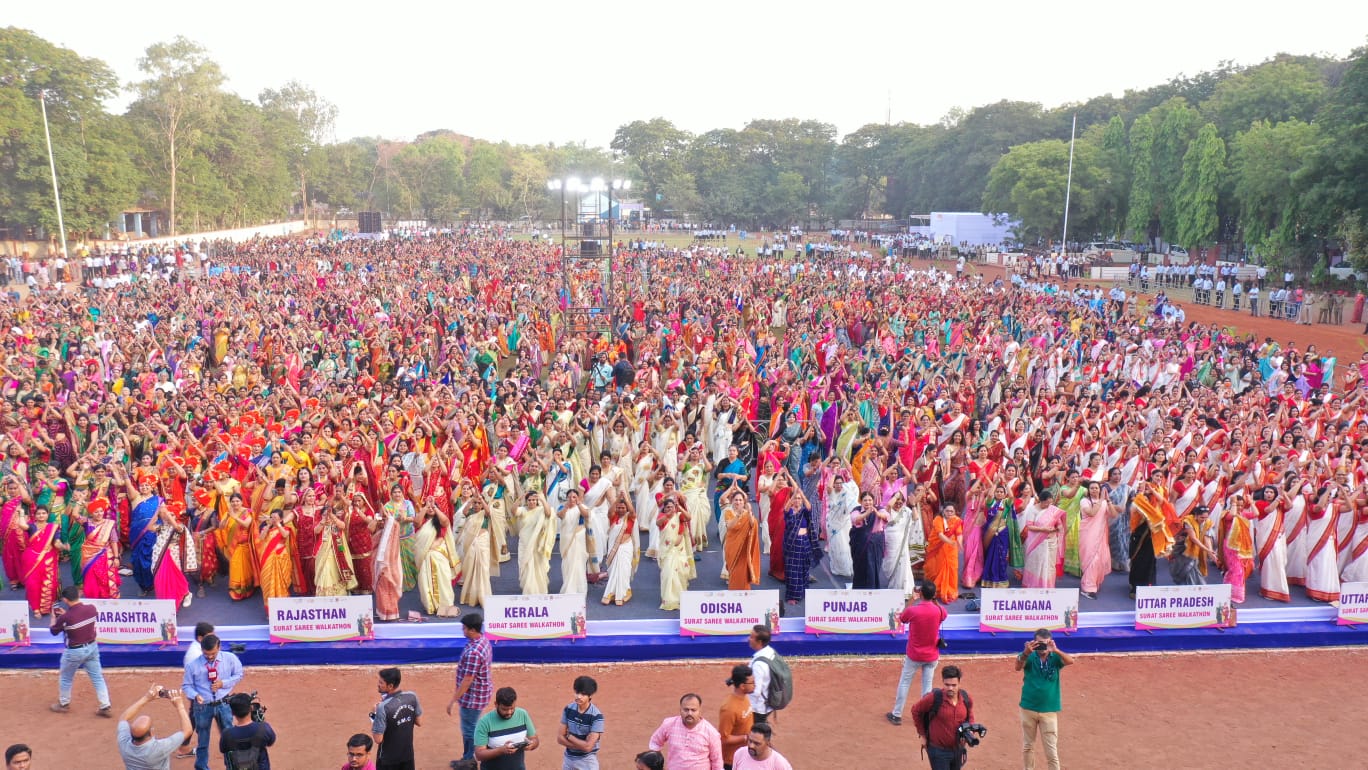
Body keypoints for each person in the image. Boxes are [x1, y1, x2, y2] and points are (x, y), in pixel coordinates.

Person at [887, 580, 947, 725]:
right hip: (932, 655)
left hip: (914, 654)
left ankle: (897, 714)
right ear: (933, 595)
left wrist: (912, 600)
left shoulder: (914, 610)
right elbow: (944, 614)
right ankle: (926, 716)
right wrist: (934, 601)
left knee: (905, 682)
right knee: (927, 686)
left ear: (920, 593)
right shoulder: (938, 611)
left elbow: (899, 619)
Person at [182, 633, 245, 770]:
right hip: (202, 707)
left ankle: (232, 766)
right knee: (203, 741)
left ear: (219, 647)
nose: (210, 657)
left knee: (229, 738)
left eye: (213, 654)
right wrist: (195, 695)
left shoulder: (230, 659)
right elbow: (186, 686)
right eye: (206, 654)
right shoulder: (192, 666)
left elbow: (239, 674)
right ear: (201, 649)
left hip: (224, 704)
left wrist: (224, 683)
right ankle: (201, 767)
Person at [1015, 629, 1075, 770]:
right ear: (1034, 643)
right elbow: (1017, 667)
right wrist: (1025, 653)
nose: (1042, 647)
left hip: (1049, 710)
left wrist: (1056, 650)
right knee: (1028, 746)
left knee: (1051, 751)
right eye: (1039, 644)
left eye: (1045, 643)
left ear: (1050, 642)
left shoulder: (1055, 657)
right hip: (1028, 708)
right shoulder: (1029, 655)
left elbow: (1071, 661)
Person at [48, 585, 111, 716]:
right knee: (97, 677)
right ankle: (105, 705)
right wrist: (65, 615)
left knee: (66, 678)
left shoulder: (66, 618)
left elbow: (53, 631)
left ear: (65, 600)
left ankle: (64, 704)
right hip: (92, 647)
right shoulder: (91, 609)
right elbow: (78, 619)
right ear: (78, 595)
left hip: (74, 651)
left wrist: (54, 617)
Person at [907, 666, 974, 770]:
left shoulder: (966, 698)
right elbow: (915, 710)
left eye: (954, 685)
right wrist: (923, 735)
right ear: (943, 682)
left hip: (958, 749)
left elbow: (970, 717)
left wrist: (970, 731)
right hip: (938, 752)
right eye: (947, 685)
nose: (950, 688)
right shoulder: (934, 698)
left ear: (959, 683)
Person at [448, 612, 493, 762]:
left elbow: (467, 680)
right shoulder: (483, 641)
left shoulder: (474, 652)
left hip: (472, 698)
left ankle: (468, 761)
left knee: (469, 730)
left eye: (465, 628)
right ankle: (468, 757)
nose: (463, 631)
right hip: (481, 693)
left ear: (473, 630)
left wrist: (453, 699)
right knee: (472, 727)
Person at [116, 683, 192, 770]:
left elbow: (123, 718)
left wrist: (146, 698)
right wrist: (180, 706)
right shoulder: (158, 749)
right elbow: (188, 731)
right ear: (151, 732)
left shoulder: (124, 744)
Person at [647, 693, 723, 770]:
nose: (689, 713)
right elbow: (655, 742)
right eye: (686, 710)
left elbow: (717, 761)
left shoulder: (711, 732)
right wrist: (657, 763)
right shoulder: (669, 724)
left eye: (693, 710)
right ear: (680, 710)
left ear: (700, 710)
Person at [474, 686, 539, 770]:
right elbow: (479, 754)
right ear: (496, 704)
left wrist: (532, 745)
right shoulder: (484, 722)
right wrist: (501, 750)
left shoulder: (523, 715)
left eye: (512, 708)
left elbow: (535, 739)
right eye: (504, 709)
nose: (509, 712)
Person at [371, 667, 423, 770]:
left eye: (381, 683)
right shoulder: (412, 696)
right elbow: (419, 722)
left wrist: (373, 715)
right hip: (407, 755)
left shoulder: (383, 707)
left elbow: (378, 739)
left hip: (388, 759)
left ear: (390, 686)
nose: (378, 684)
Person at [219, 692, 277, 770]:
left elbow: (223, 749)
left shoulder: (226, 734)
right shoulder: (263, 728)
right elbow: (271, 741)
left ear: (232, 713)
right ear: (251, 708)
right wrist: (260, 721)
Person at [557, 675, 604, 770]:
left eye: (583, 694)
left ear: (590, 695)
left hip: (587, 761)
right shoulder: (568, 709)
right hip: (568, 759)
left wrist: (570, 737)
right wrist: (581, 745)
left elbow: (588, 747)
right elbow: (559, 738)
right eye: (577, 693)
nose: (579, 697)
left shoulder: (597, 716)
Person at [718, 665, 754, 770]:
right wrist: (746, 738)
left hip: (744, 755)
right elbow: (724, 738)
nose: (754, 685)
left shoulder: (744, 697)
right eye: (752, 682)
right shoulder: (729, 709)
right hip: (731, 761)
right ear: (742, 686)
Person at [746, 625, 777, 725]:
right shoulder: (771, 652)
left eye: (751, 637)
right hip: (768, 703)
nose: (748, 639)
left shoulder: (758, 664)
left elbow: (756, 691)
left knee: (756, 737)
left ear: (759, 642)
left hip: (758, 709)